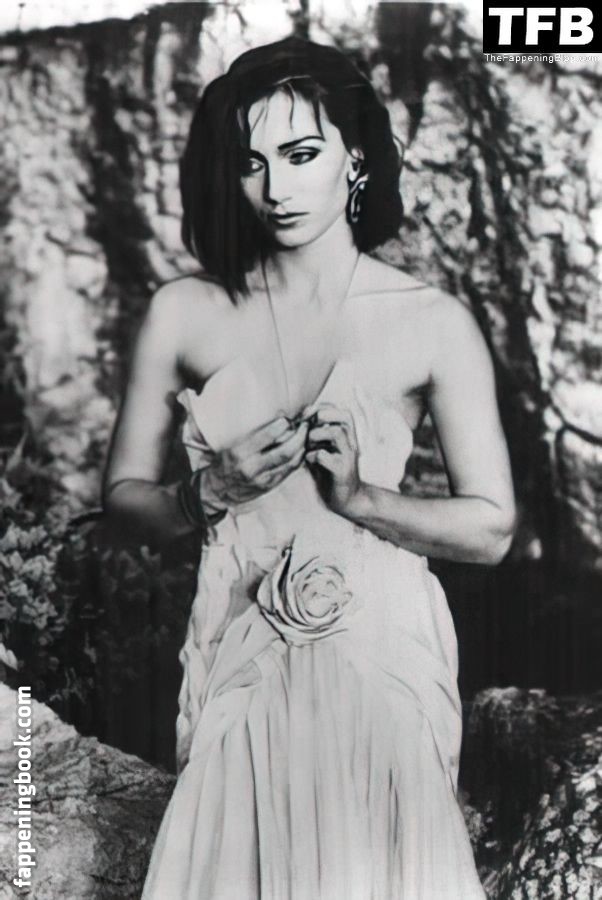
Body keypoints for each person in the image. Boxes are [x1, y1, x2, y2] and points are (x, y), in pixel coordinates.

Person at [104, 36, 516, 900]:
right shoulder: (183, 312)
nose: (275, 188)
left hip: (380, 664)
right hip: (239, 659)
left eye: (300, 155)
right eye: (251, 163)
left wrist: (362, 498)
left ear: (355, 158)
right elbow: (123, 505)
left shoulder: (432, 321)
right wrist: (209, 490)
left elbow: (491, 529)